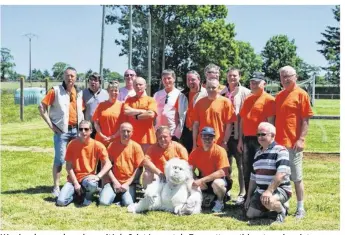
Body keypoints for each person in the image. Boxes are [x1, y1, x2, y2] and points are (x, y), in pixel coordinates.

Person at [38, 67, 84, 198]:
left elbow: (81, 110)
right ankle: (56, 186)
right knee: (60, 159)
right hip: (62, 131)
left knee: (76, 159)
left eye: (72, 76)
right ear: (64, 76)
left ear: (76, 78)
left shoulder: (78, 92)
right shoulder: (56, 91)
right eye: (68, 75)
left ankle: (76, 184)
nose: (70, 78)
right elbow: (41, 107)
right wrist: (52, 126)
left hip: (77, 130)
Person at [275, 65, 313, 219]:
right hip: (278, 144)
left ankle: (300, 207)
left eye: (288, 76)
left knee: (296, 177)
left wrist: (301, 139)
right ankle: (283, 204)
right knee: (280, 176)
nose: (285, 79)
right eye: (282, 76)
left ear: (295, 76)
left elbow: (306, 119)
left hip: (293, 143)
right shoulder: (279, 96)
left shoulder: (301, 94)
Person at [237, 71, 275, 201]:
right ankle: (248, 197)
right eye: (252, 82)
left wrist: (269, 142)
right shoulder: (248, 99)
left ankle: (260, 198)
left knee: (261, 169)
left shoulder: (269, 99)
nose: (253, 84)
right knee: (247, 169)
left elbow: (271, 122)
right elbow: (242, 120)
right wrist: (240, 140)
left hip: (262, 139)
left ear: (263, 83)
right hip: (247, 139)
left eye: (257, 82)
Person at [56, 120, 112, 206]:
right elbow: (68, 166)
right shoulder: (72, 144)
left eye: (86, 129)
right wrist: (75, 183)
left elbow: (108, 164)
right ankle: (78, 195)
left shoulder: (98, 145)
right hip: (73, 179)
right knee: (61, 202)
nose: (83, 132)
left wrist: (98, 176)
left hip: (88, 178)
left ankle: (88, 196)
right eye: (81, 129)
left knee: (92, 184)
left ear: (91, 130)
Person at [244, 122, 291, 223]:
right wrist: (248, 197)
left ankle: (281, 211)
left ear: (273, 135)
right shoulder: (257, 153)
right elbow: (253, 178)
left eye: (263, 134)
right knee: (250, 214)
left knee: (269, 200)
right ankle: (271, 210)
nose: (260, 137)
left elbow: (281, 174)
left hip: (280, 189)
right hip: (261, 191)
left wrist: (269, 191)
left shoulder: (281, 151)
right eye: (258, 134)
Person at [222, 68, 251, 205]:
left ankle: (242, 192)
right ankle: (226, 190)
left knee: (241, 165)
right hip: (224, 134)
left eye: (235, 75)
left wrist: (242, 137)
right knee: (225, 164)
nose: (232, 78)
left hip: (239, 134)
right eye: (229, 76)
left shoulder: (246, 92)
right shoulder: (221, 92)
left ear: (239, 77)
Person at [99, 122, 144, 206]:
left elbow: (139, 168)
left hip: (129, 183)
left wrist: (127, 184)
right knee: (103, 202)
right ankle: (116, 194)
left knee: (128, 203)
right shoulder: (112, 145)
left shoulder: (136, 147)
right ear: (119, 132)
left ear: (132, 132)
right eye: (123, 131)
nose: (125, 134)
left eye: (128, 131)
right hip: (114, 181)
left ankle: (120, 197)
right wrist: (114, 182)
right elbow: (107, 165)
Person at [189, 127, 231, 213]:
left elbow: (222, 172)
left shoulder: (220, 150)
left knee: (217, 184)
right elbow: (189, 169)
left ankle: (220, 201)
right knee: (189, 182)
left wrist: (201, 180)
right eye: (205, 137)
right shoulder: (195, 152)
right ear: (200, 137)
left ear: (214, 138)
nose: (207, 140)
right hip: (204, 181)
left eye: (210, 137)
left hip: (219, 180)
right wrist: (196, 179)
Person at [192, 79, 236, 150]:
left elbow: (229, 125)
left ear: (218, 88)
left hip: (219, 143)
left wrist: (224, 142)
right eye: (208, 87)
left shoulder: (226, 102)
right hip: (202, 144)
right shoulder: (199, 103)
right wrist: (194, 144)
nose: (211, 89)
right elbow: (196, 125)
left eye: (213, 87)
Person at [123, 77, 157, 153]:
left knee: (146, 162)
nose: (138, 86)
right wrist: (144, 111)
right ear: (133, 86)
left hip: (147, 138)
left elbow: (151, 114)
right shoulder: (129, 100)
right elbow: (126, 111)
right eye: (136, 85)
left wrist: (135, 115)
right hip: (132, 137)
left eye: (140, 84)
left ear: (145, 86)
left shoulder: (151, 100)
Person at [153, 69, 187, 140]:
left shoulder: (180, 95)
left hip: (172, 133)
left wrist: (178, 133)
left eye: (169, 78)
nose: (166, 81)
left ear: (174, 79)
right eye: (164, 79)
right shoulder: (157, 95)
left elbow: (182, 116)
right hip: (157, 132)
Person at [180, 70, 207, 153]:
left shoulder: (206, 93)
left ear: (199, 79)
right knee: (187, 159)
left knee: (202, 159)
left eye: (193, 79)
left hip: (201, 131)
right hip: (186, 132)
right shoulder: (182, 94)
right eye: (188, 79)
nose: (190, 82)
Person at [92, 81, 124, 147]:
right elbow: (96, 123)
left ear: (119, 92)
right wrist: (102, 135)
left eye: (116, 90)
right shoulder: (101, 105)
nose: (113, 93)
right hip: (101, 140)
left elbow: (123, 125)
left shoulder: (122, 106)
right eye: (111, 90)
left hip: (116, 141)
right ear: (108, 91)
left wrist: (113, 137)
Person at [82, 72, 109, 138]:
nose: (93, 82)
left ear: (100, 82)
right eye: (91, 80)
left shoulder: (106, 94)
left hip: (101, 127)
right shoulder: (83, 93)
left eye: (95, 80)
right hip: (88, 127)